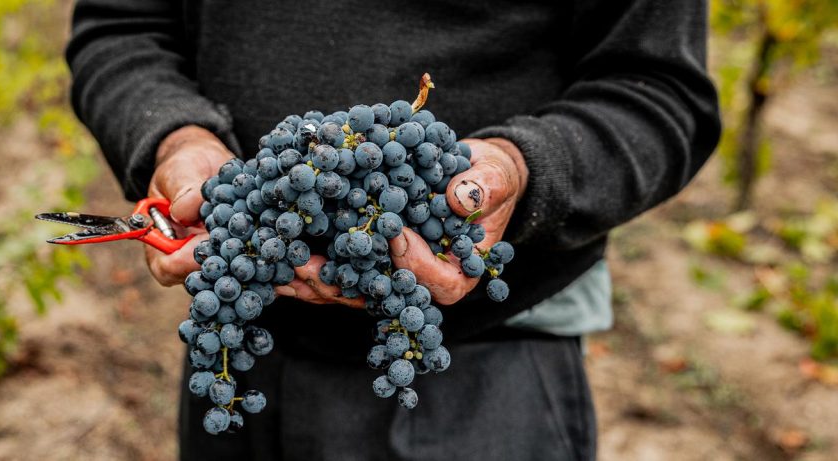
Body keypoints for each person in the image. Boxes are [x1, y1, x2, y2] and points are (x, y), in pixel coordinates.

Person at [66, 1, 720, 459]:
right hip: (243, 347)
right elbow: (121, 28)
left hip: (486, 374)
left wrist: (521, 168)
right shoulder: (227, 372)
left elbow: (661, 91)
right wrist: (175, 135)